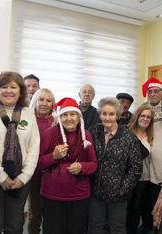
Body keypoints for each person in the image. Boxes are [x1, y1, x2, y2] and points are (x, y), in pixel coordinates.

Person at [0, 71, 40, 233]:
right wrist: (2, 177)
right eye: (4, 87)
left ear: (20, 90)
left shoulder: (28, 114)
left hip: (19, 181)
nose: (9, 90)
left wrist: (23, 177)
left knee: (15, 227)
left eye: (13, 87)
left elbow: (34, 147)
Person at [38, 97, 98, 234]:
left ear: (79, 117)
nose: (69, 118)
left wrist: (82, 167)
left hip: (79, 195)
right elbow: (38, 163)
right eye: (64, 114)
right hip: (51, 195)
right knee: (52, 230)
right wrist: (53, 156)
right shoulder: (49, 134)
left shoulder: (86, 135)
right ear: (59, 117)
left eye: (72, 114)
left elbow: (94, 164)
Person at [88, 97, 146, 234]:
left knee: (118, 228)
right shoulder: (93, 132)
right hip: (95, 191)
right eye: (104, 113)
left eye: (111, 114)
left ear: (117, 115)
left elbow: (136, 168)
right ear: (100, 114)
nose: (107, 118)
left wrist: (123, 188)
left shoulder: (129, 138)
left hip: (118, 194)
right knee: (94, 226)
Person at [27, 88, 58, 234]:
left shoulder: (56, 122)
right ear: (35, 101)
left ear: (53, 104)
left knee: (50, 213)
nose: (44, 103)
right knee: (34, 212)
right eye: (41, 99)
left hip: (51, 174)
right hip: (32, 174)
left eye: (48, 100)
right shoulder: (27, 120)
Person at [126, 106, 154, 234]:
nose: (145, 119)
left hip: (145, 178)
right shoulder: (127, 133)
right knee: (128, 210)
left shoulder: (152, 136)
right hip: (127, 178)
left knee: (139, 209)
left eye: (148, 117)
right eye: (142, 116)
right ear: (137, 116)